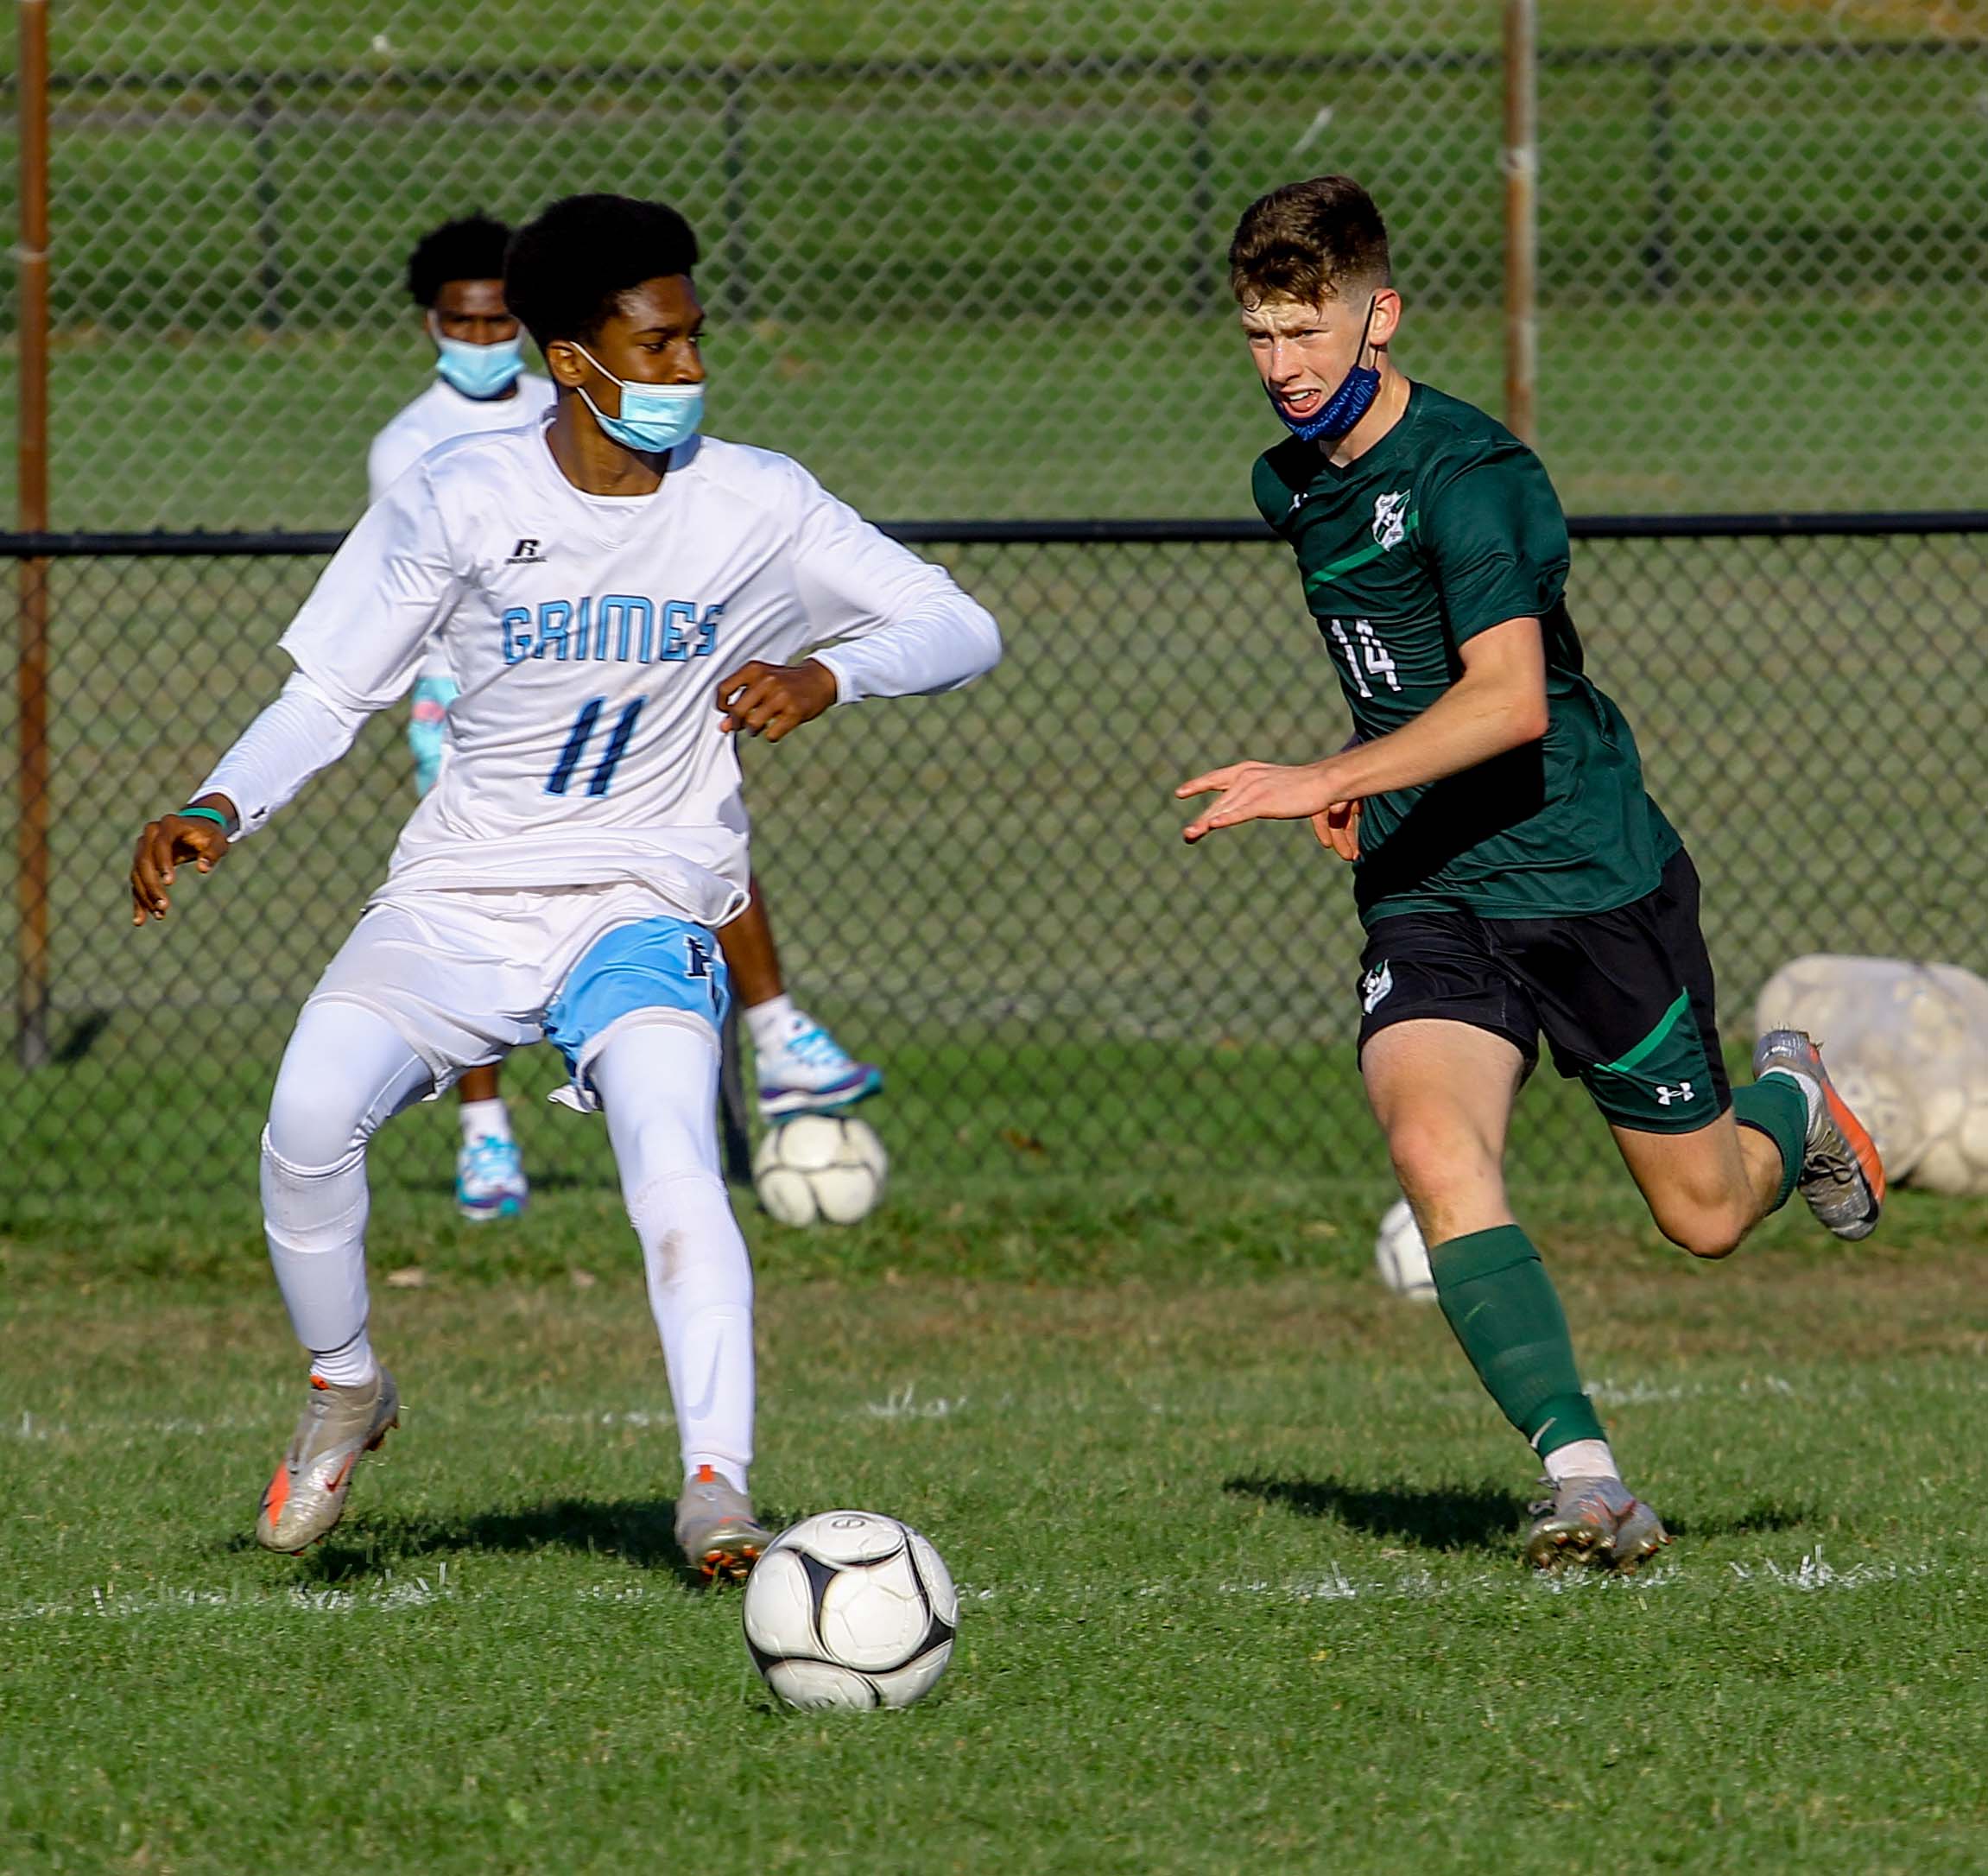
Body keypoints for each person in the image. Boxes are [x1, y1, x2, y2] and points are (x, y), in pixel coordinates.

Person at [129, 193, 1001, 1578]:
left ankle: (717, 1490)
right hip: (464, 895)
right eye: (656, 349)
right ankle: (346, 1385)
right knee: (304, 1115)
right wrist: (217, 802)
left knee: (673, 1151)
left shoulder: (759, 500)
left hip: (642, 902)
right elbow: (329, 693)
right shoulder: (459, 496)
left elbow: (960, 623)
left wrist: (831, 671)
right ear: (572, 360)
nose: (688, 372)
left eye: (694, 340)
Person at [1176, 175, 1884, 1572]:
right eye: (1257, 336)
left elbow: (1508, 700)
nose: (1280, 368)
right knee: (1433, 1146)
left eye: (1306, 331)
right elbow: (1399, 670)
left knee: (1698, 1214)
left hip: (1583, 867)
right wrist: (1371, 774)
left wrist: (1328, 775)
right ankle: (1587, 1481)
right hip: (1430, 880)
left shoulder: (1474, 478)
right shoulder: (1289, 483)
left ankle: (1793, 1097)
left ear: (1379, 316)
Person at [372, 217, 883, 1224]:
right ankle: (486, 1133)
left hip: (613, 668)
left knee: (693, 831)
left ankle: (776, 1035)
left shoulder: (564, 398)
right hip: (478, 707)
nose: (478, 345)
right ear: (430, 326)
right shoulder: (412, 447)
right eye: (457, 326)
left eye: (493, 325)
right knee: (481, 906)